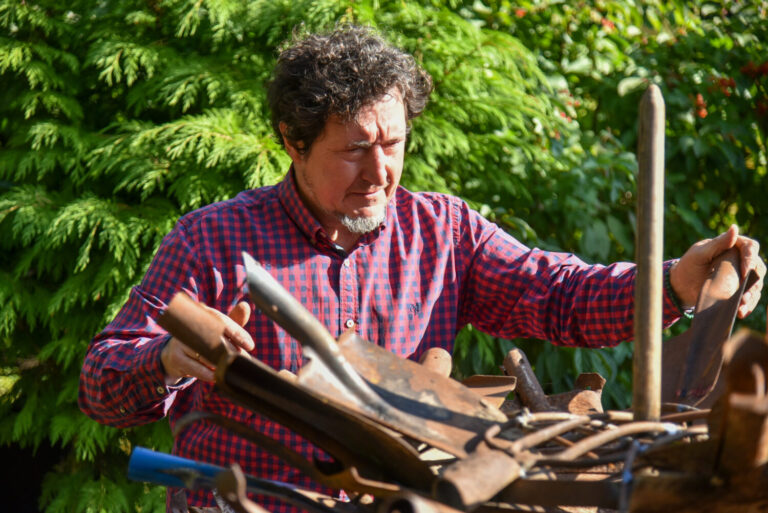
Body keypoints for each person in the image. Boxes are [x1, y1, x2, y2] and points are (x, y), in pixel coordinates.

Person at [78, 25, 765, 513]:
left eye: (394, 143)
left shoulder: (443, 231)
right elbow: (100, 385)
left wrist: (675, 281)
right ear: (293, 141)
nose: (380, 171)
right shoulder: (214, 240)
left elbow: (558, 294)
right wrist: (167, 358)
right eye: (354, 150)